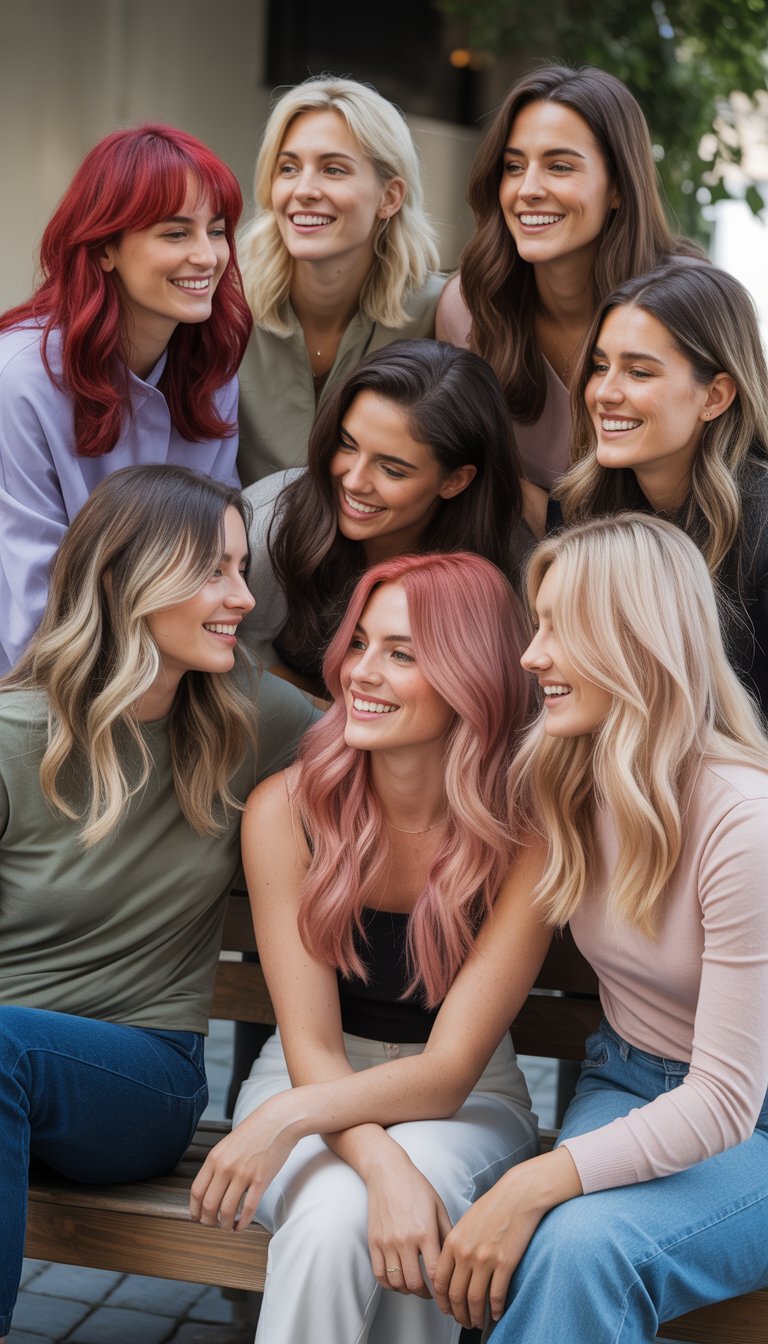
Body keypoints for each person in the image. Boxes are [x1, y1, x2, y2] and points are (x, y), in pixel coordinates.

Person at [190, 551, 552, 1344]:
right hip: (308, 1075)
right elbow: (312, 1045)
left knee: (398, 1213)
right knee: (336, 1221)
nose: (362, 673)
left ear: (473, 676)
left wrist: (298, 1122)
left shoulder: (531, 831)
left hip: (468, 1100)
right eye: (360, 644)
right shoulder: (287, 808)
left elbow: (449, 1073)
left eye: (402, 653)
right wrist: (376, 1160)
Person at [426, 514, 768, 1340]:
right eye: (535, 624)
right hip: (624, 1082)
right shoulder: (565, 779)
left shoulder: (743, 822)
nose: (530, 655)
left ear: (637, 640)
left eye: (559, 629)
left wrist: (531, 1181)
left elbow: (724, 1099)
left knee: (577, 1247)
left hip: (748, 1119)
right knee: (557, 1243)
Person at [0, 465, 317, 1341]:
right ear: (119, 578)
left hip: (139, 1081)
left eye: (241, 569)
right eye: (213, 570)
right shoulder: (11, 737)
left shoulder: (253, 716)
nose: (243, 598)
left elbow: (409, 737)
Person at [0, 123, 252, 674]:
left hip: (171, 671)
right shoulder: (20, 378)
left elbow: (217, 558)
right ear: (106, 247)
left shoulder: (212, 375)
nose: (208, 257)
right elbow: (32, 603)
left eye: (216, 230)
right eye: (175, 233)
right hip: (40, 684)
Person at [436, 64, 701, 490]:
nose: (528, 189)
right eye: (514, 166)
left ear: (618, 187)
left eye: (559, 166)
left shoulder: (691, 301)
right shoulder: (468, 306)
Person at [242, 338, 537, 691]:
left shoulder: (510, 564)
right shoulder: (272, 517)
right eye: (347, 445)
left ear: (456, 481)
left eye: (392, 470)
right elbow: (237, 656)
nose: (353, 481)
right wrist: (327, 718)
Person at [558, 260, 768, 716]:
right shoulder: (580, 511)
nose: (604, 393)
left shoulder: (762, 530)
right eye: (599, 366)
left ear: (714, 397)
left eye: (639, 372)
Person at [236, 75, 445, 483]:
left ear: (390, 197)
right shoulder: (224, 306)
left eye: (333, 169)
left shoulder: (442, 314)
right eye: (289, 168)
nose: (304, 190)